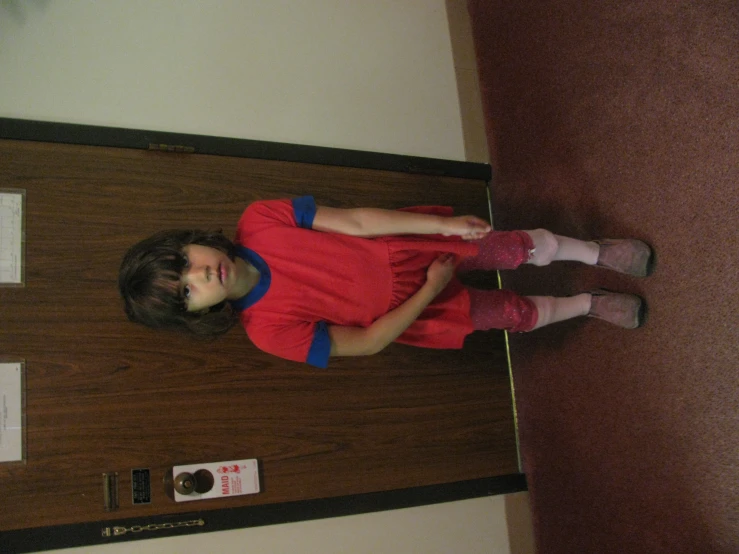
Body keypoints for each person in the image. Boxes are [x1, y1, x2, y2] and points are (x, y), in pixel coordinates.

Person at [119, 196, 653, 368]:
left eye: (186, 261)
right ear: (196, 313)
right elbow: (370, 342)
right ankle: (589, 303)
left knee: (511, 247)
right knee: (512, 314)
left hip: (412, 249)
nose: (201, 274)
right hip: (418, 310)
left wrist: (441, 228)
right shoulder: (267, 333)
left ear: (192, 242)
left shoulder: (260, 218)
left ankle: (595, 252)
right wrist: (428, 291)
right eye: (187, 290)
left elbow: (355, 222)